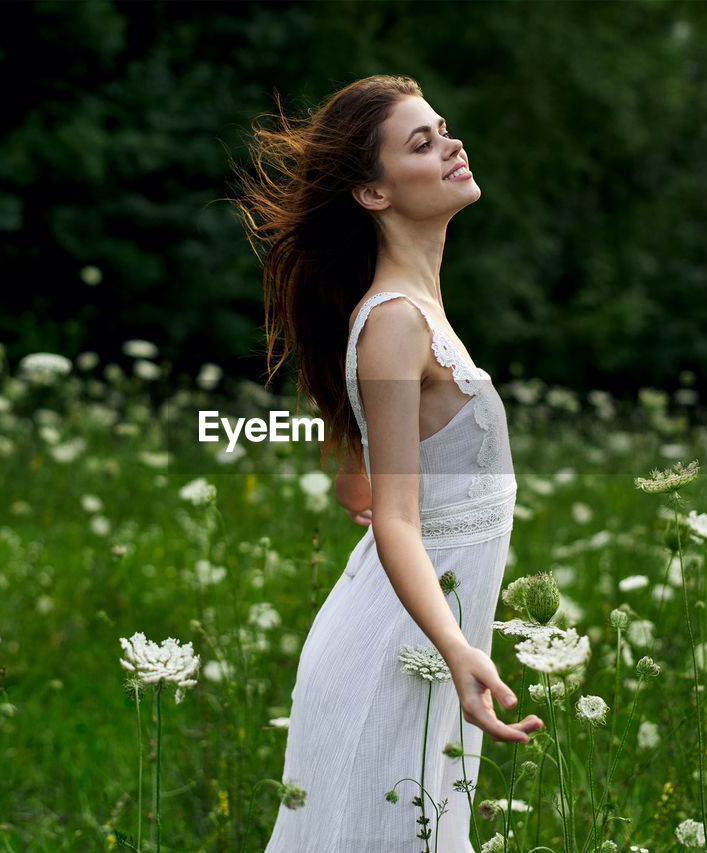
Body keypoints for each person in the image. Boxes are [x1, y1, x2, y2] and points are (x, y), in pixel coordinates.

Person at [233, 74, 542, 851]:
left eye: (444, 127)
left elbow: (388, 461)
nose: (452, 143)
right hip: (405, 651)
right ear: (373, 193)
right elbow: (399, 521)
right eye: (422, 141)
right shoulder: (397, 322)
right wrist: (457, 646)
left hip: (429, 647)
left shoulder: (413, 310)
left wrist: (354, 453)